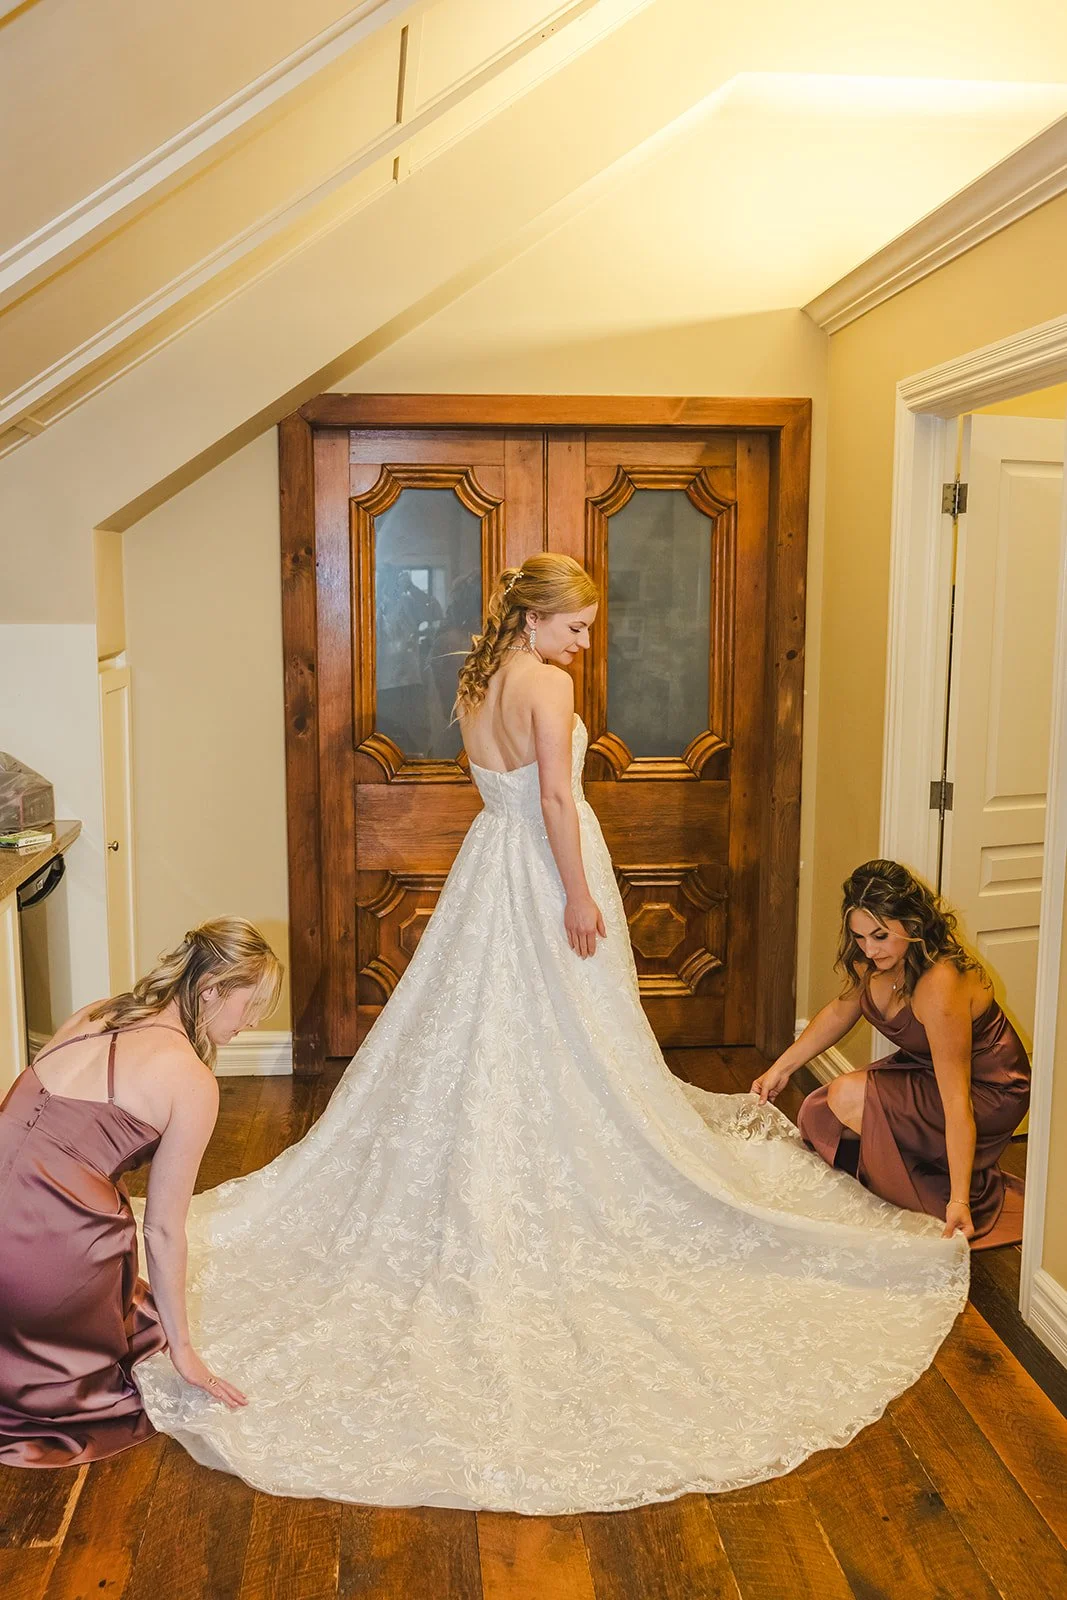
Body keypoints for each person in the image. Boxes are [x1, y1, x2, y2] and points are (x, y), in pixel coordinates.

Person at [132, 556, 969, 1515]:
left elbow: (500, 790)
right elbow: (557, 802)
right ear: (534, 620)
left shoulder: (479, 675)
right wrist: (574, 892)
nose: (584, 642)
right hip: (539, 870)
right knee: (559, 1030)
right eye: (574, 626)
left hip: (488, 868)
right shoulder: (544, 681)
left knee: (492, 1035)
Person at [0, 919, 281, 1467]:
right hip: (40, 1267)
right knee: (118, 1232)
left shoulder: (98, 1012)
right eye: (249, 1006)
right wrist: (185, 1353)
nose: (249, 1024)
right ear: (210, 991)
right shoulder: (190, 1080)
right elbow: (163, 1229)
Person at [753, 860, 1031, 1249]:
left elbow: (956, 1102)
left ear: (913, 925)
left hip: (988, 1091)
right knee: (819, 1116)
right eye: (860, 936)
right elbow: (841, 1009)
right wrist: (780, 1068)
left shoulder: (939, 984)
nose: (869, 948)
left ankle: (951, 1191)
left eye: (880, 935)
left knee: (847, 1096)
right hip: (926, 1069)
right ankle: (912, 1169)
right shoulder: (873, 959)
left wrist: (960, 1199)